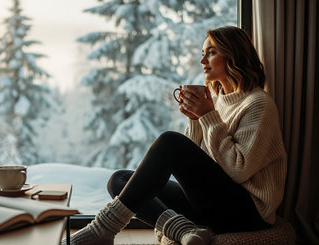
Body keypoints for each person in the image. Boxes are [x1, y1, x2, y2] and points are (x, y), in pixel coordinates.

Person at [62, 26, 287, 245]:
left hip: (247, 214)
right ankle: (186, 231)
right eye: (202, 54)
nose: (203, 61)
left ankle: (103, 228)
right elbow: (197, 160)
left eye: (211, 52)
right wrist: (196, 118)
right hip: (213, 204)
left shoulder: (258, 104)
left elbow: (238, 170)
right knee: (119, 180)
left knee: (170, 141)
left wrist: (207, 116)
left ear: (234, 55)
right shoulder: (217, 102)